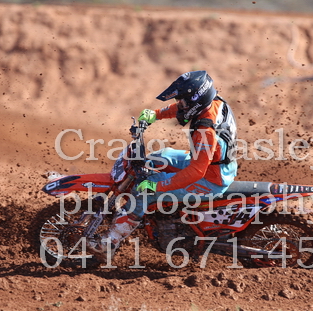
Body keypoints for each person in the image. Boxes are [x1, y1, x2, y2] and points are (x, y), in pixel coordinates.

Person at [87, 70, 238, 255]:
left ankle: (109, 244)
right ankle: (151, 213)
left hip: (210, 179)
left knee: (144, 191)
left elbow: (196, 172)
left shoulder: (205, 131)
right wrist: (156, 114)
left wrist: (156, 186)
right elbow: (183, 109)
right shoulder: (214, 102)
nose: (179, 105)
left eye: (182, 101)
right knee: (157, 158)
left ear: (196, 100)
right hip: (213, 164)